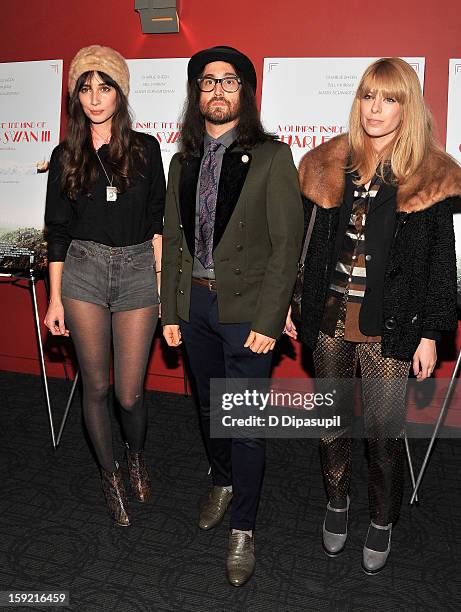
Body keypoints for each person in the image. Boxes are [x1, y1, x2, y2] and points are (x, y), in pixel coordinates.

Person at [286, 57, 461, 574]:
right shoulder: (327, 166)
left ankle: (382, 518)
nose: (376, 108)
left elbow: (439, 265)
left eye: (389, 99)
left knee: (384, 434)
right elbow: (307, 245)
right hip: (330, 319)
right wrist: (295, 304)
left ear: (407, 108)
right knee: (332, 425)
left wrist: (431, 333)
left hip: (390, 327)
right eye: (368, 96)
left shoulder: (426, 175)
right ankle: (337, 502)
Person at [161, 46, 303, 586]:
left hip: (247, 313)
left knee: (242, 422)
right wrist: (170, 310)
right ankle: (221, 479)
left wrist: (270, 322)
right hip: (194, 305)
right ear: (197, 95)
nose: (217, 90)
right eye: (207, 82)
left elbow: (286, 248)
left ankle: (243, 527)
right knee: (207, 409)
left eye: (229, 81)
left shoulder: (272, 156)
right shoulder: (183, 161)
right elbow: (175, 241)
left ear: (244, 92)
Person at [44, 45, 165, 527]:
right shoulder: (64, 155)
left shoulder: (146, 148)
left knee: (129, 394)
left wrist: (161, 289)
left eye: (105, 86)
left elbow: (158, 222)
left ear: (121, 92)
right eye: (86, 88)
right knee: (95, 385)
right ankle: (110, 474)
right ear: (76, 96)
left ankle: (135, 455)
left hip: (138, 270)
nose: (95, 98)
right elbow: (57, 230)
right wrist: (54, 299)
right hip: (83, 272)